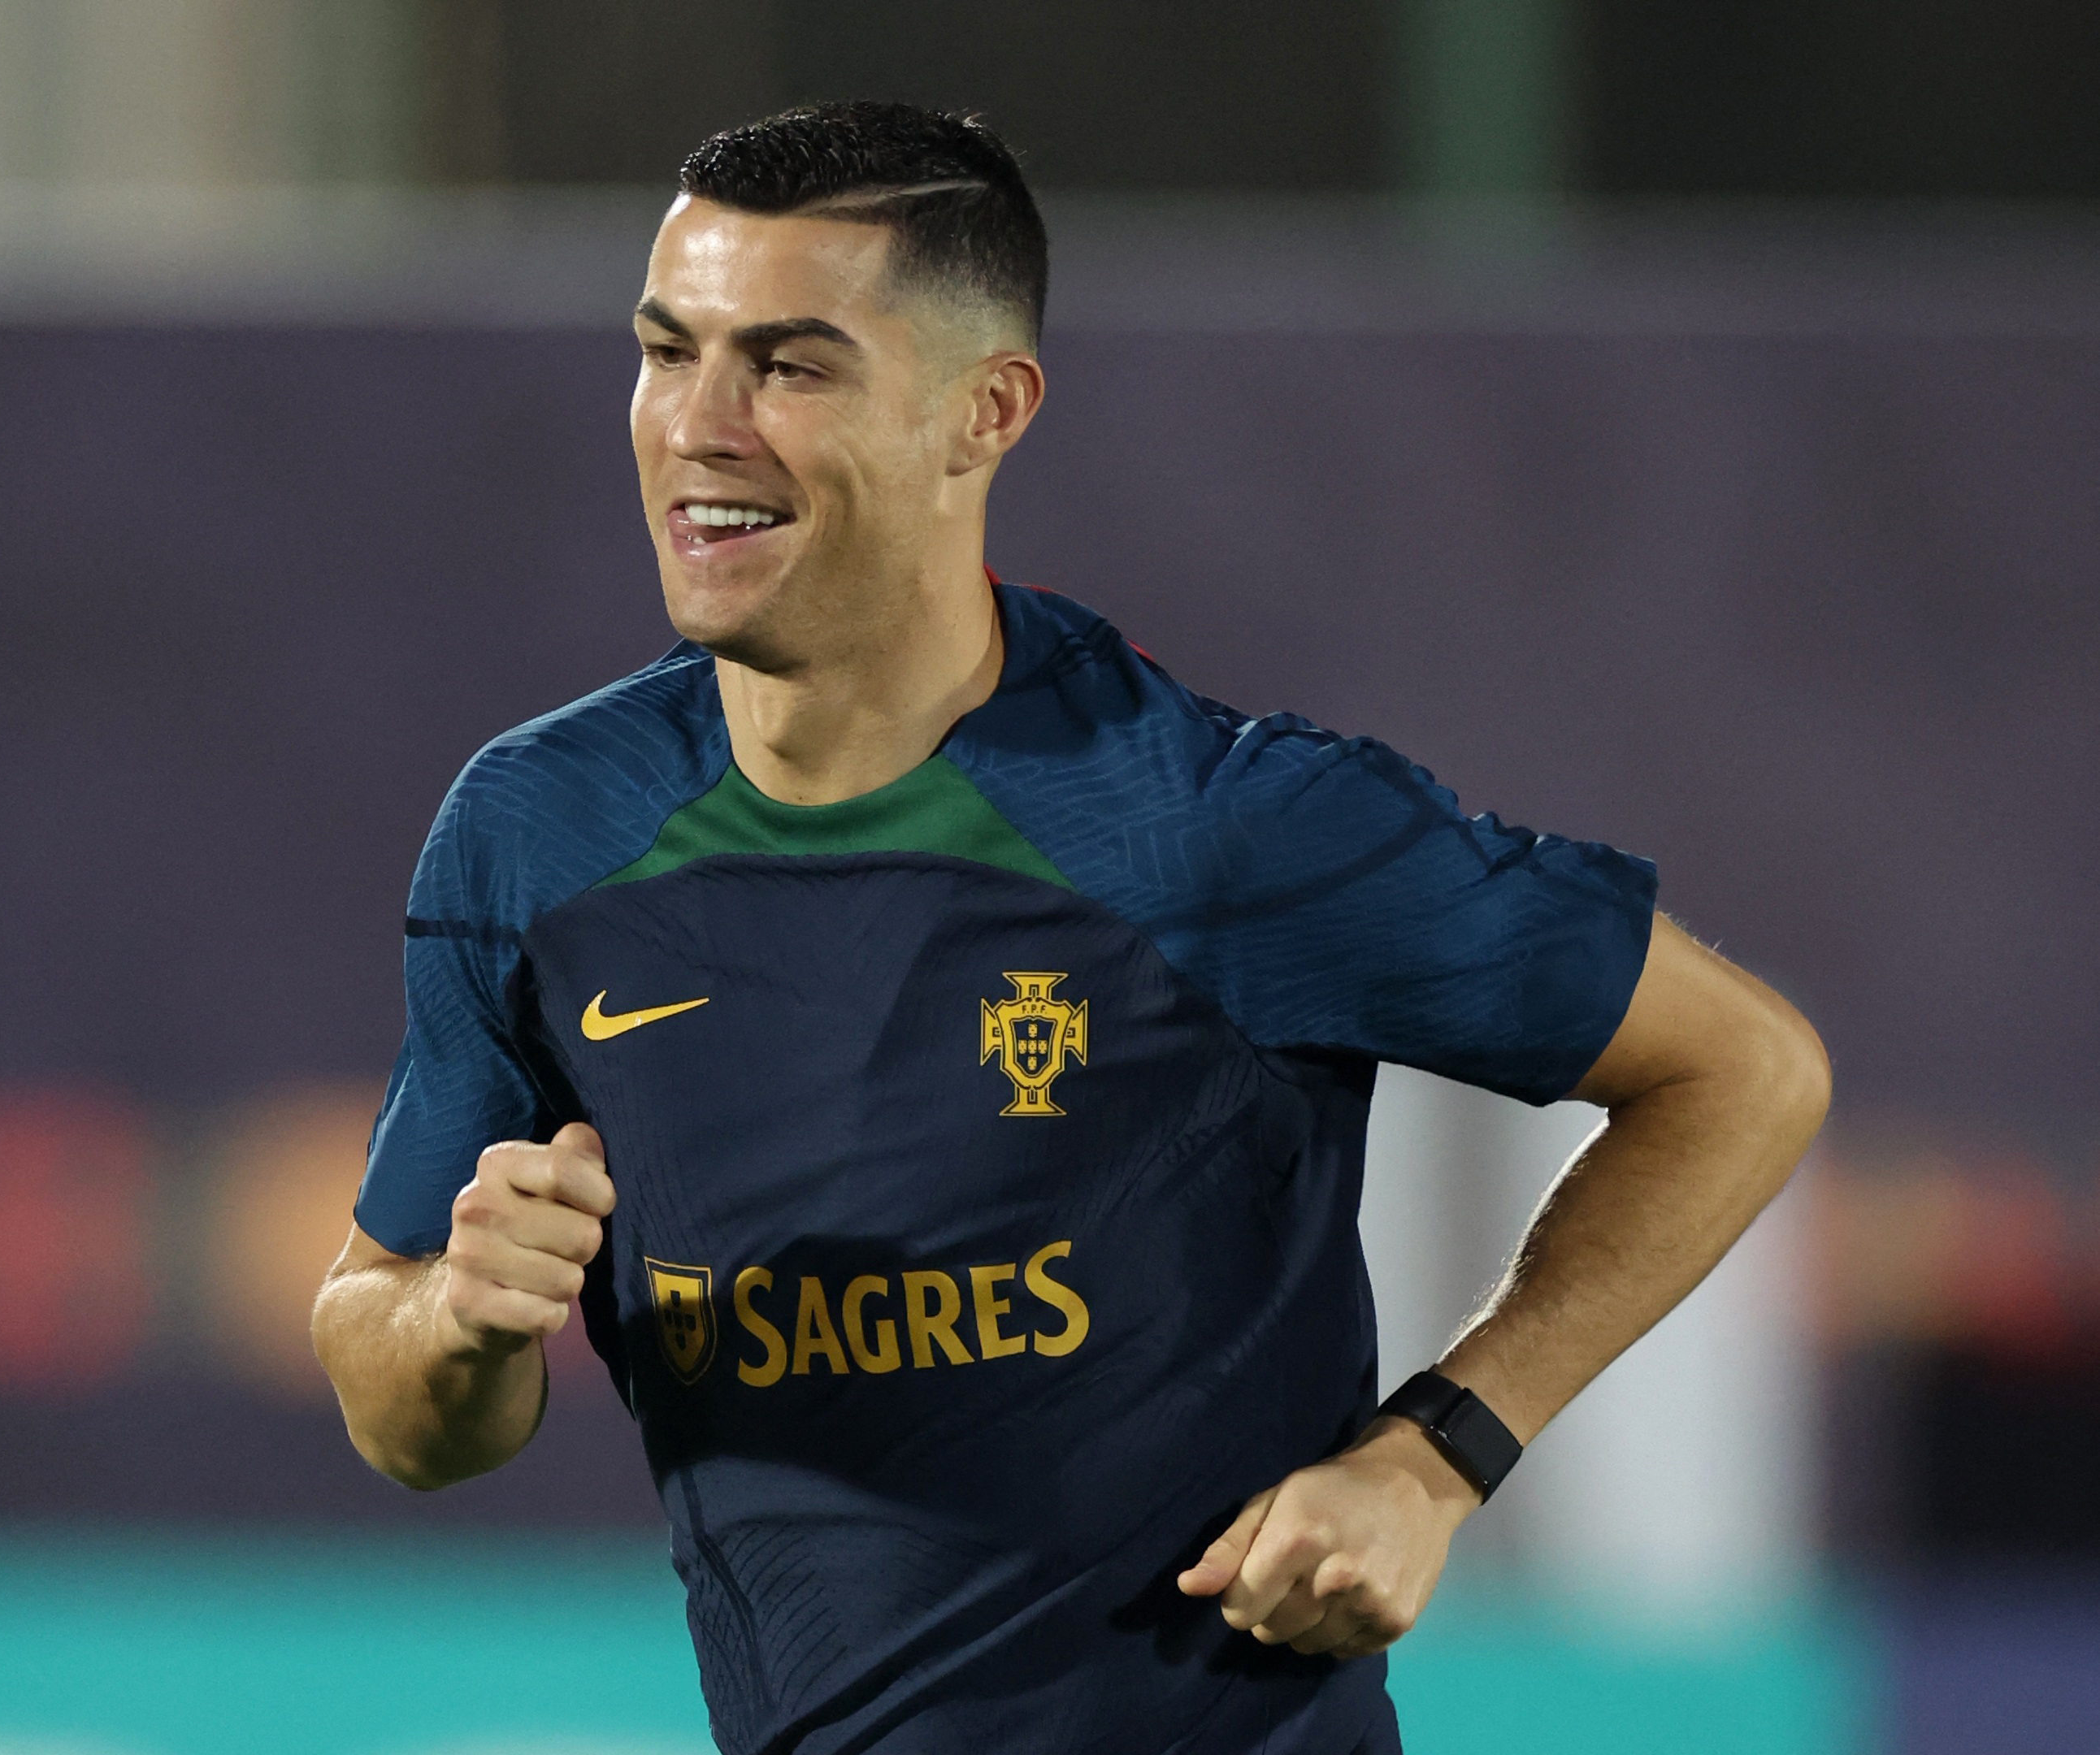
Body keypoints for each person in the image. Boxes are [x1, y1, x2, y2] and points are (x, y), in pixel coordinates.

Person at [310, 101, 1829, 1755]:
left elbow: (1744, 1071)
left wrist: (1438, 1451)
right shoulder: (539, 834)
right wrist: (459, 1322)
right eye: (667, 352)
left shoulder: (1216, 825)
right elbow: (405, 1408)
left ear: (985, 412)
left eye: (791, 367)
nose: (701, 426)